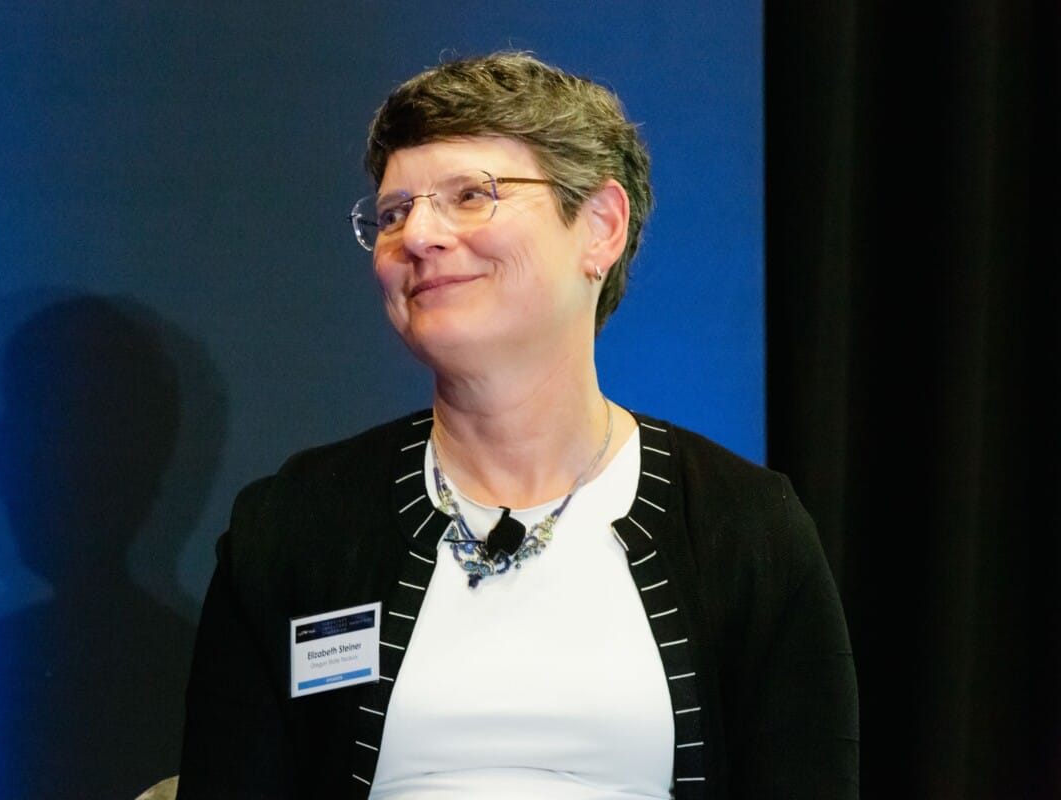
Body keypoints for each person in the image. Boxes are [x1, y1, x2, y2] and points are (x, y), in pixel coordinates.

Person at [177, 52, 858, 799]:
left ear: (599, 226)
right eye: (394, 212)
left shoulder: (746, 528)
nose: (418, 235)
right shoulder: (295, 526)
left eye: (471, 195)